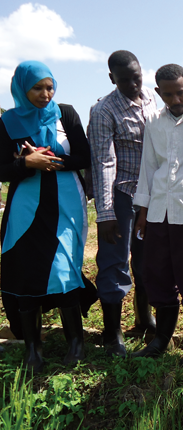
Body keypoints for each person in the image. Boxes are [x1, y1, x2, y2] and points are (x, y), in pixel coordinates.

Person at [0, 61, 91, 371]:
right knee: (24, 271)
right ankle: (32, 348)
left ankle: (76, 343)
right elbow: (1, 169)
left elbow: (84, 156)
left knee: (64, 269)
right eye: (37, 88)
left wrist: (50, 160)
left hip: (66, 204)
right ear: (21, 88)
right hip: (26, 209)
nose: (45, 94)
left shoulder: (66, 113)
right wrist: (26, 164)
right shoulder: (7, 122)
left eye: (50, 87)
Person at [130, 64, 183, 367]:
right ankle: (161, 339)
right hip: (159, 210)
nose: (176, 100)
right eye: (168, 95)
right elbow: (148, 167)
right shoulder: (154, 121)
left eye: (180, 92)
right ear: (158, 93)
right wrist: (143, 211)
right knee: (157, 273)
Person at [88, 50, 158, 357]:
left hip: (151, 196)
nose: (133, 84)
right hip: (121, 195)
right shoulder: (104, 110)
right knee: (114, 262)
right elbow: (103, 162)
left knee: (147, 260)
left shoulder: (152, 99)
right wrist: (106, 213)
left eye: (137, 77)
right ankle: (112, 332)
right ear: (111, 78)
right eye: (124, 79)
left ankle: (144, 319)